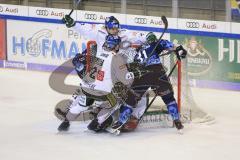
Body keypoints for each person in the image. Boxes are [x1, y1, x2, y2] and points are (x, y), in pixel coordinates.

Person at [57, 34, 135, 132]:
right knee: (114, 104)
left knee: (80, 106)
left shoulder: (98, 53)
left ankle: (65, 123)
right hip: (103, 93)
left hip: (88, 88)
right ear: (116, 46)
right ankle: (95, 124)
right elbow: (125, 79)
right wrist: (131, 75)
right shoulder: (116, 58)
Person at [111, 32, 187, 132]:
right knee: (169, 98)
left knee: (130, 100)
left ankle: (120, 122)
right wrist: (179, 49)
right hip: (158, 73)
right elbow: (170, 45)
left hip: (142, 75)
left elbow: (130, 64)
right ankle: (177, 121)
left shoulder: (136, 50)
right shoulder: (156, 43)